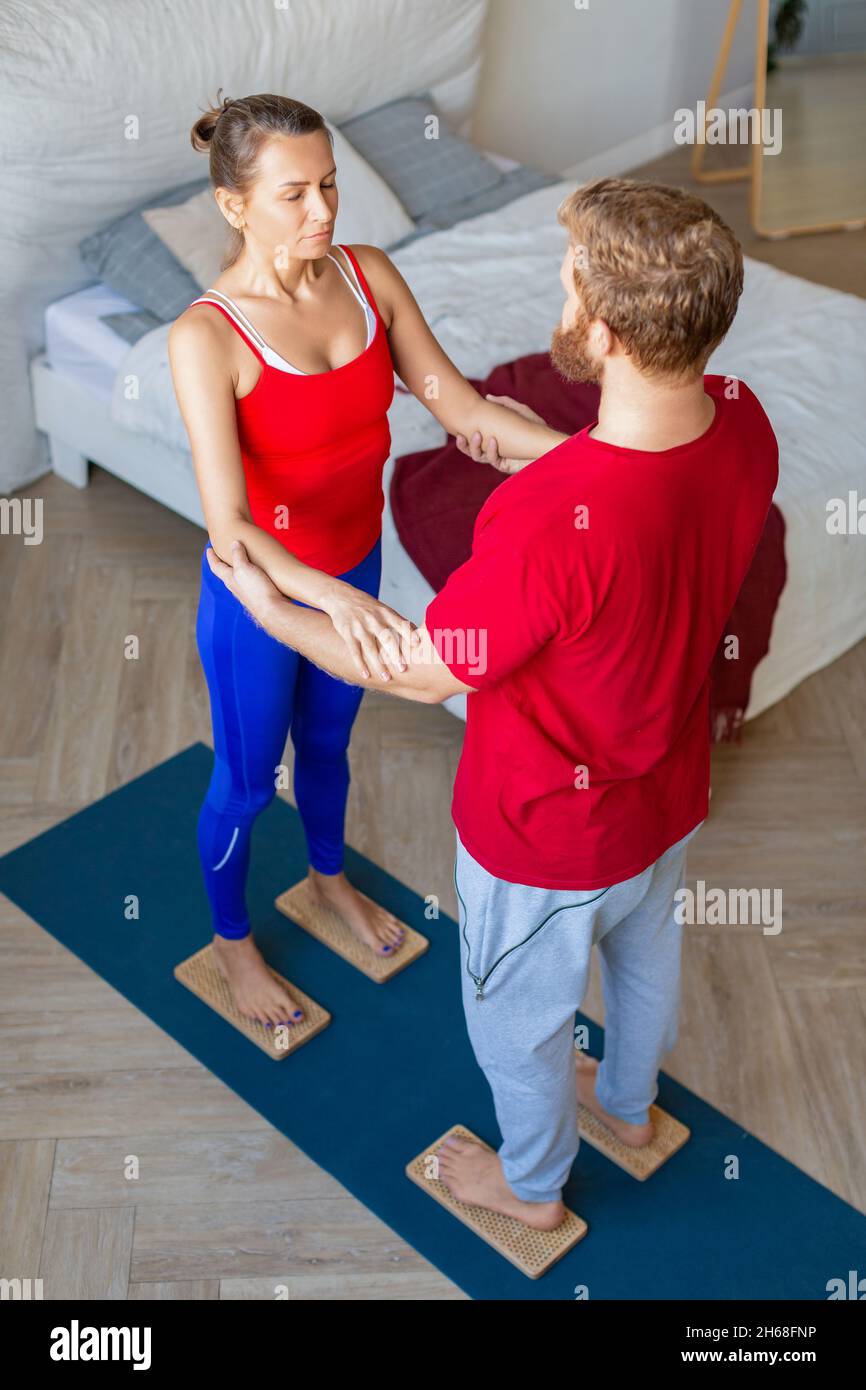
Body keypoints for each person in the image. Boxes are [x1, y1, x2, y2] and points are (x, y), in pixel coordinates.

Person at [204, 176, 779, 1230]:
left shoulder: (542, 524)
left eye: (566, 282)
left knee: (517, 1023)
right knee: (644, 964)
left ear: (598, 331)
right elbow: (644, 492)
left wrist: (265, 603)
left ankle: (530, 1191)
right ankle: (630, 1111)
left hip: (543, 841)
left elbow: (420, 667)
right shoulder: (741, 421)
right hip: (661, 805)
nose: (556, 298)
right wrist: (534, 443)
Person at [169, 92, 567, 1032]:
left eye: (332, 186)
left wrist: (599, 459)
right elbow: (230, 527)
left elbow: (464, 414)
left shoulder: (369, 277)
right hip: (260, 598)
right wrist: (326, 604)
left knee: (331, 748)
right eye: (295, 194)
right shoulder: (207, 337)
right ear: (235, 205)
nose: (325, 212)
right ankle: (233, 944)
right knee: (244, 776)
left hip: (356, 564)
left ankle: (330, 879)